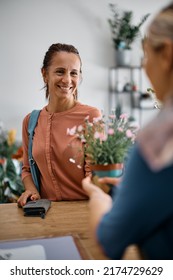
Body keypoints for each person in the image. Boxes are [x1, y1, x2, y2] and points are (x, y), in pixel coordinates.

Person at [82, 2, 173, 260]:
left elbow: (107, 242)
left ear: (167, 54)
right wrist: (138, 186)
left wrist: (99, 199)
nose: (144, 67)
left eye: (145, 55)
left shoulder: (160, 141)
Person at [17, 43, 101, 207]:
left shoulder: (91, 116)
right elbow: (27, 169)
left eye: (74, 73)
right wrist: (31, 190)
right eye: (60, 71)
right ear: (44, 74)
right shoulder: (30, 121)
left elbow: (96, 172)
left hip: (85, 211)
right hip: (46, 214)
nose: (67, 80)